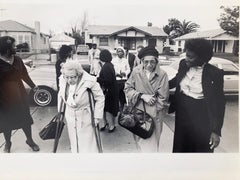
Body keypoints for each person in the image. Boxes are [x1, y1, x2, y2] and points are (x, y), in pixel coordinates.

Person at [169, 38, 226, 153]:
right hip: (182, 113)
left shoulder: (215, 73)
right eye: (186, 55)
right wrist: (158, 86)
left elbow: (219, 104)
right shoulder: (183, 65)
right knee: (181, 147)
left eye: (190, 57)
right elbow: (176, 80)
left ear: (202, 57)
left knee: (200, 149)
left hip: (202, 115)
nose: (186, 59)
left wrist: (216, 131)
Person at [124, 46, 169, 152]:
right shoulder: (136, 72)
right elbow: (127, 89)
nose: (149, 65)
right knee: (139, 142)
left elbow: (163, 98)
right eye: (146, 62)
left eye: (152, 62)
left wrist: (152, 113)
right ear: (142, 61)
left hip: (154, 116)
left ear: (157, 61)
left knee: (151, 146)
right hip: (137, 113)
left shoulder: (162, 75)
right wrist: (142, 96)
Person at [0, 36, 40, 153]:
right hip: (3, 96)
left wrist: (33, 86)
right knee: (7, 121)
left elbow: (24, 75)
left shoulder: (17, 59)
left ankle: (30, 140)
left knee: (25, 119)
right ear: (7, 49)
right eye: (13, 46)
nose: (15, 47)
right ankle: (8, 143)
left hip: (19, 93)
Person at [58, 61, 105, 153]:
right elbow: (60, 95)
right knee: (74, 142)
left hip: (86, 117)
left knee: (87, 145)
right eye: (67, 77)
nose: (69, 80)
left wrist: (97, 117)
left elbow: (100, 98)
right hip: (70, 116)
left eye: (72, 77)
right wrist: (60, 113)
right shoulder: (62, 79)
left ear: (78, 74)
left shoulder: (90, 81)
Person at [97, 49, 119, 133]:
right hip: (112, 89)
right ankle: (107, 123)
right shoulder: (109, 65)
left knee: (108, 108)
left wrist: (97, 79)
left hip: (109, 90)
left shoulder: (106, 66)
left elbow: (107, 80)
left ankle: (111, 125)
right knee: (107, 108)